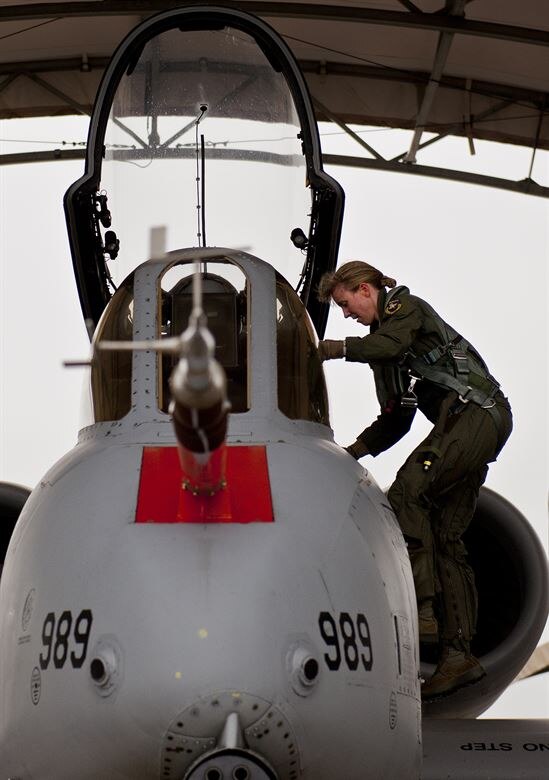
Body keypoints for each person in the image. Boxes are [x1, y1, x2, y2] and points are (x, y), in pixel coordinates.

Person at [317, 261, 512, 699]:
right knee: (446, 535)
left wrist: (332, 349)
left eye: (347, 304)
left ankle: (423, 610)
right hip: (461, 422)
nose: (348, 315)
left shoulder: (405, 310)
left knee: (408, 491)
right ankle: (457, 655)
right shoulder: (382, 350)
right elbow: (397, 418)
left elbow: (390, 344)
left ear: (365, 289)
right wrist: (349, 454)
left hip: (477, 412)